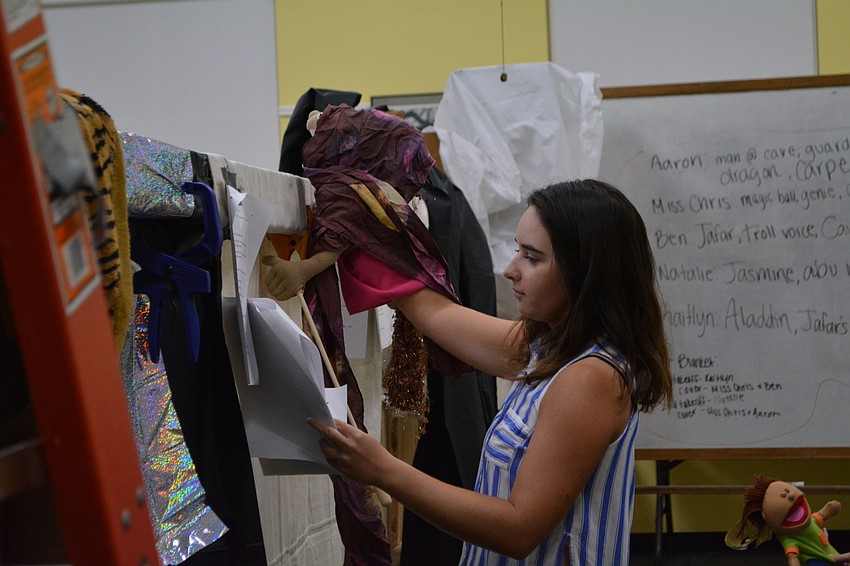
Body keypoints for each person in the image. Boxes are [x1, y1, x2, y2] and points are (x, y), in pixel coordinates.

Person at [294, 178, 672, 565]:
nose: (511, 270)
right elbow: (432, 313)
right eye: (517, 251)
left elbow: (517, 529)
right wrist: (364, 226)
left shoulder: (589, 378)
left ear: (585, 273)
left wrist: (383, 470)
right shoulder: (548, 346)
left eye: (532, 257)